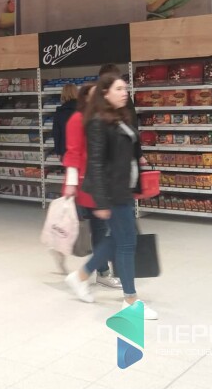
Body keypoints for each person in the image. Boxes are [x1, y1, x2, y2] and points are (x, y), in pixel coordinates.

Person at [64, 74, 157, 319]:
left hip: (124, 188)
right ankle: (130, 300)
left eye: (125, 88)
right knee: (126, 243)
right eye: (119, 89)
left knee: (118, 239)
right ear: (105, 93)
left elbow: (129, 153)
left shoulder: (120, 117)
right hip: (112, 192)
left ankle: (81, 275)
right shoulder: (97, 122)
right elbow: (95, 164)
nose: (124, 92)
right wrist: (101, 201)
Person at [58, 84, 121, 289]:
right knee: (93, 227)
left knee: (102, 228)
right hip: (85, 184)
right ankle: (99, 270)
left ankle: (103, 271)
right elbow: (73, 152)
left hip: (101, 182)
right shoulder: (78, 119)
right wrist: (71, 183)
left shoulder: (103, 118)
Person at [52, 83, 78, 160]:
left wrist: (58, 151)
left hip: (65, 150)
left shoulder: (59, 112)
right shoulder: (82, 110)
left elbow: (56, 133)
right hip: (80, 150)